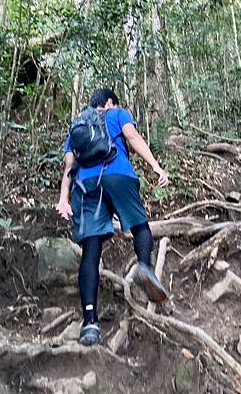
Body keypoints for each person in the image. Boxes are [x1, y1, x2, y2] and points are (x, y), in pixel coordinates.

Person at [56, 87, 169, 346]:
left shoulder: (78, 125)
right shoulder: (116, 113)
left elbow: (69, 166)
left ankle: (90, 323)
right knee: (140, 226)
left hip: (86, 185)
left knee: (91, 253)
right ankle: (144, 266)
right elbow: (132, 136)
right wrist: (155, 166)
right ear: (109, 102)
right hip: (117, 174)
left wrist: (63, 199)